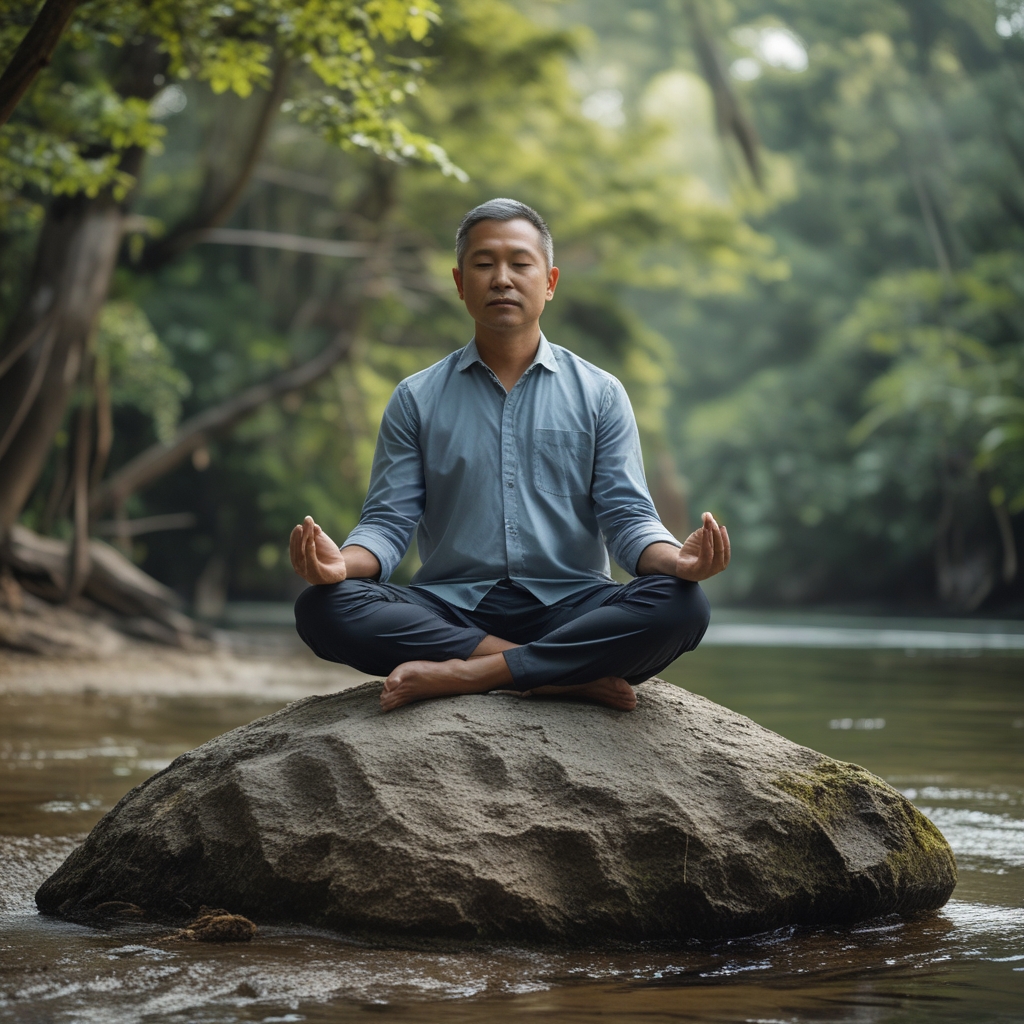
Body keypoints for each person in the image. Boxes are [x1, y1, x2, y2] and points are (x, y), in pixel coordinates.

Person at [290, 198, 730, 713]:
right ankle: (557, 676)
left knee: (681, 605)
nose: (502, 278)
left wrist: (678, 561)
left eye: (520, 264)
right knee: (324, 608)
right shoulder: (416, 398)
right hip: (452, 611)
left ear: (550, 282)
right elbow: (387, 525)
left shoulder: (601, 393)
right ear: (460, 284)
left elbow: (628, 517)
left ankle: (471, 674)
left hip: (572, 606)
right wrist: (339, 566)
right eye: (483, 264)